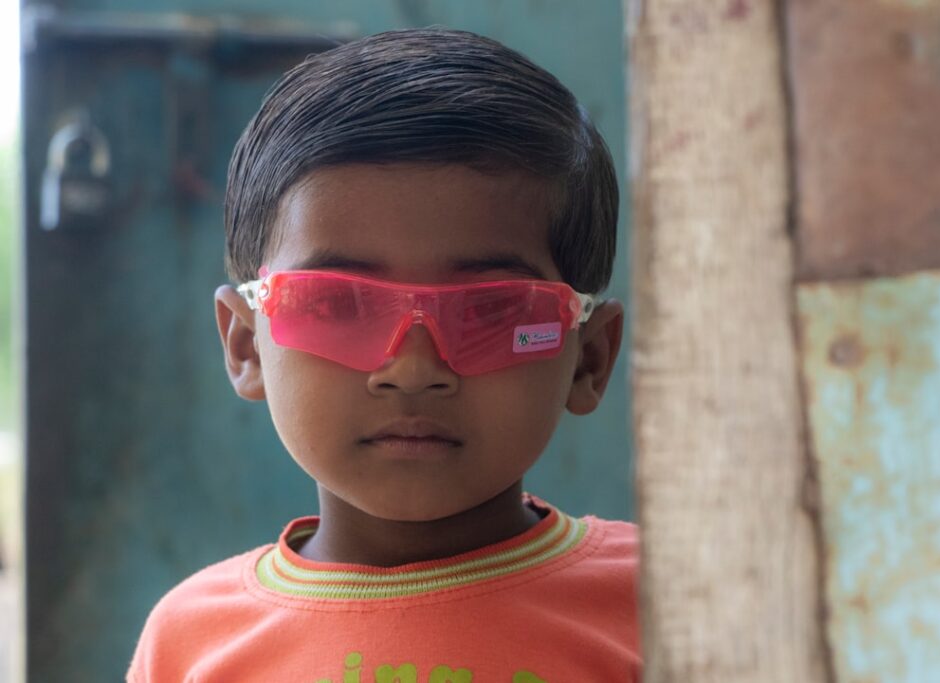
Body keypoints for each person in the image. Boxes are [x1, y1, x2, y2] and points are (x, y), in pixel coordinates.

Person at [128, 27, 637, 683]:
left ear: (589, 357)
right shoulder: (190, 643)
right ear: (246, 342)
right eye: (338, 304)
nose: (413, 369)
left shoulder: (668, 603)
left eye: (490, 310)